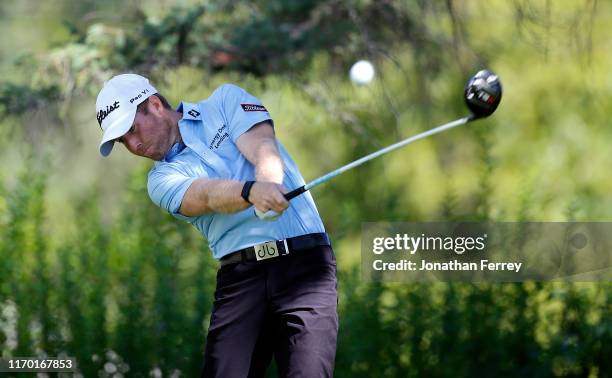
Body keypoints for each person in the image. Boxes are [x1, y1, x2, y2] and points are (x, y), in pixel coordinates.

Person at [95, 73, 338, 377]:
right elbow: (206, 195)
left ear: (155, 105)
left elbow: (262, 145)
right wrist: (251, 192)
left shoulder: (225, 101)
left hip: (305, 267)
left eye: (131, 129)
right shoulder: (159, 181)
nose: (133, 144)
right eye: (122, 141)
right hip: (242, 278)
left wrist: (269, 182)